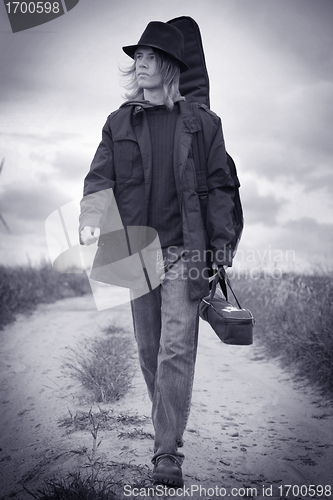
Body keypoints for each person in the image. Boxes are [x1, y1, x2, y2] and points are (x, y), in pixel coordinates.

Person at [79, 21, 237, 488]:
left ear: (168, 65)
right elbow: (99, 177)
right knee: (149, 350)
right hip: (135, 251)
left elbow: (223, 186)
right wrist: (92, 215)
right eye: (137, 57)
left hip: (185, 253)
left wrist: (221, 246)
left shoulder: (204, 123)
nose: (139, 63)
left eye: (148, 56)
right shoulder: (119, 121)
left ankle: (166, 452)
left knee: (175, 350)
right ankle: (166, 424)